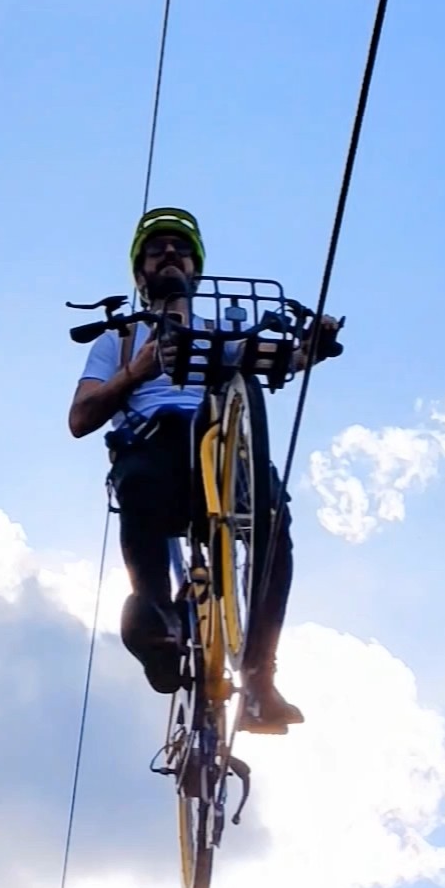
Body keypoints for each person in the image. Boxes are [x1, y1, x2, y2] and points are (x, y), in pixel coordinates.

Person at [68, 205, 314, 735]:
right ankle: (156, 617)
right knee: (141, 475)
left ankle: (259, 674)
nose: (170, 257)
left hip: (222, 450)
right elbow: (81, 418)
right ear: (140, 274)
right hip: (155, 450)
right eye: (157, 251)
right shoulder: (121, 339)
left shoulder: (223, 334)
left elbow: (276, 359)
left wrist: (308, 351)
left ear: (197, 269)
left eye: (181, 250)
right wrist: (136, 371)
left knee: (274, 518)